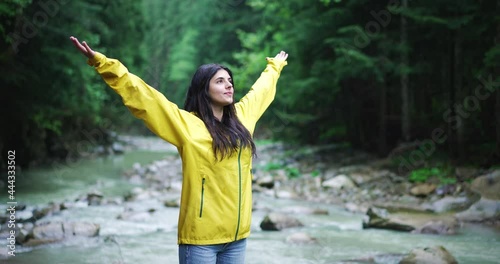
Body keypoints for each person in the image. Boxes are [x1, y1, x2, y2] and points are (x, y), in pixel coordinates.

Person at [69, 36, 288, 264]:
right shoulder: (186, 125)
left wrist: (275, 66)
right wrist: (102, 63)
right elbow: (144, 97)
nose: (229, 85)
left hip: (237, 237)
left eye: (229, 80)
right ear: (204, 89)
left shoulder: (243, 118)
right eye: (220, 81)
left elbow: (262, 90)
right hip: (200, 239)